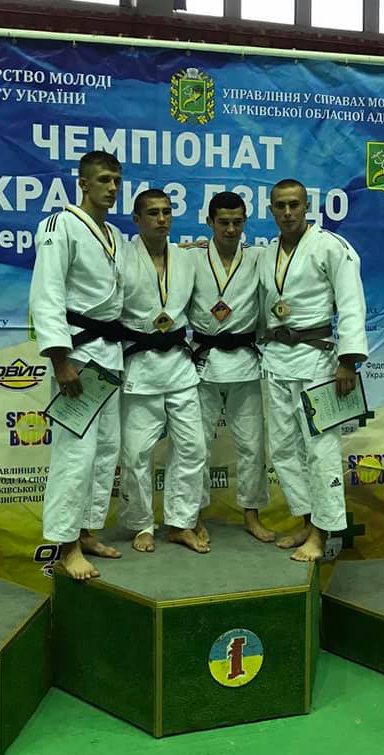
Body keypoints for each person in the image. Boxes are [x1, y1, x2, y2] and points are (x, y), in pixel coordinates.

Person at [29, 150, 125, 581]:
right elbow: (46, 294)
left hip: (109, 356)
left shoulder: (114, 234)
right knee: (75, 453)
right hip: (77, 356)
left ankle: (86, 532)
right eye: (103, 179)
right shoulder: (59, 226)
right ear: (83, 183)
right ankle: (65, 545)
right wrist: (59, 360)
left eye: (116, 180)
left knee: (104, 450)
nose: (112, 187)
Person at [261, 179, 368, 562]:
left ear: (307, 206)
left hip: (319, 362)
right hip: (276, 360)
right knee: (283, 449)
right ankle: (307, 521)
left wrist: (348, 360)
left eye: (294, 204)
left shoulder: (331, 246)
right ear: (271, 209)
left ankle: (322, 534)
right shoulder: (266, 253)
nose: (288, 212)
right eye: (280, 205)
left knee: (320, 450)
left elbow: (351, 303)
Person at [119, 189, 208, 554]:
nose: (161, 219)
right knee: (136, 453)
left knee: (193, 447)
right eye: (153, 213)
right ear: (137, 219)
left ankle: (180, 522)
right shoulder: (121, 256)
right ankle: (142, 523)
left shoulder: (186, 258)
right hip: (140, 366)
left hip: (179, 366)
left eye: (167, 212)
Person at [186, 191, 273, 543]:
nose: (231, 229)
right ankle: (193, 515)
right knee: (196, 445)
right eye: (223, 222)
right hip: (203, 362)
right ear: (209, 222)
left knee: (252, 444)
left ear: (245, 222)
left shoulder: (259, 257)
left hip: (245, 362)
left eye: (238, 222)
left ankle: (251, 514)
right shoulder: (190, 257)